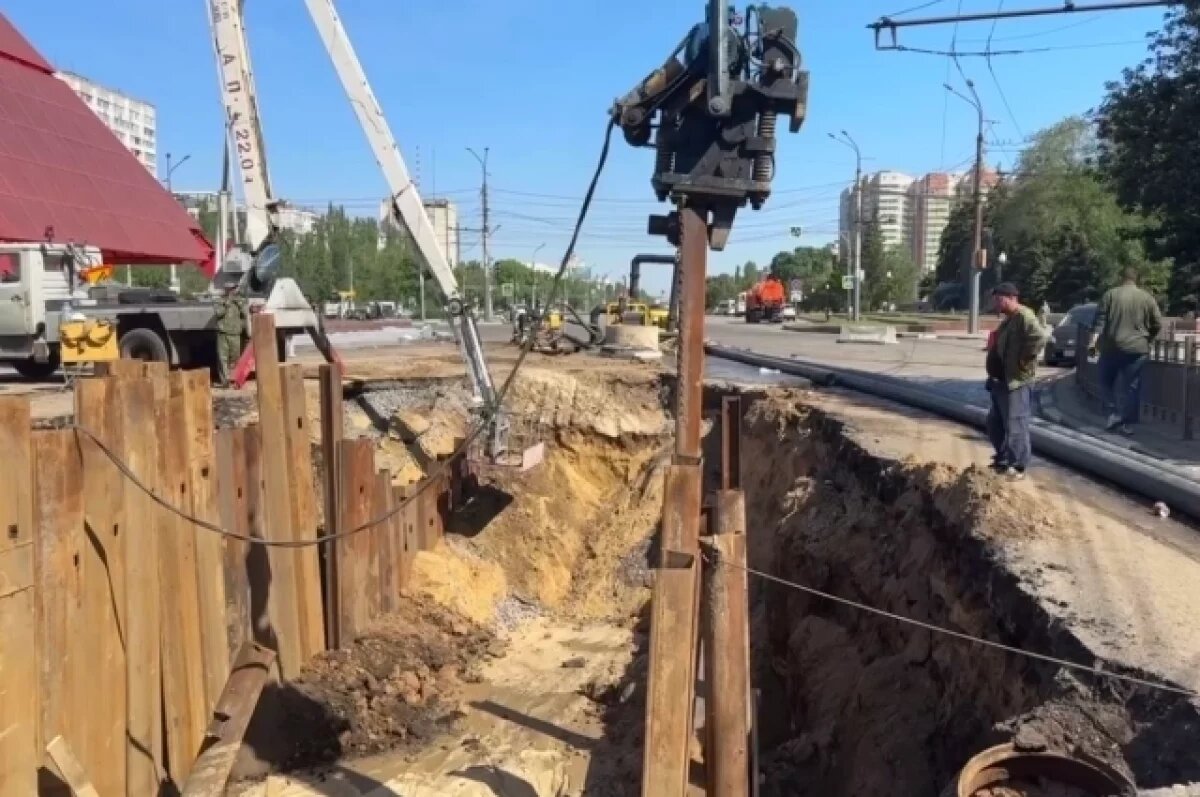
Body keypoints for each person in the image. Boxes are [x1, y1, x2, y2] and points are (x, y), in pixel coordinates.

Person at [1089, 268, 1162, 434]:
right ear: (1136, 280)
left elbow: (1099, 323)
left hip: (1112, 348)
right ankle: (1126, 422)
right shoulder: (1146, 298)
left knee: (1105, 381)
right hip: (1137, 349)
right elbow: (1157, 323)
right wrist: (1147, 339)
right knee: (1132, 386)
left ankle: (1113, 413)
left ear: (1121, 278)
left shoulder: (1110, 295)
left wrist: (1092, 346)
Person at [986, 283, 1046, 480]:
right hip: (1003, 381)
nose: (996, 302)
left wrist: (1025, 358)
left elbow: (1039, 337)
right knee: (995, 422)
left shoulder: (1024, 316)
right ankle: (1003, 458)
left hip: (1018, 381)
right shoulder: (1008, 320)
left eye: (999, 299)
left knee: (1016, 423)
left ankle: (1018, 465)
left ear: (1011, 298)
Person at [213, 284, 248, 386]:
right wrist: (227, 303)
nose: (232, 291)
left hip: (235, 333)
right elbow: (218, 313)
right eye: (229, 289)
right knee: (222, 358)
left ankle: (234, 379)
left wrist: (239, 303)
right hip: (223, 333)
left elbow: (245, 313)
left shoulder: (240, 301)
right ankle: (225, 381)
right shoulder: (220, 300)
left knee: (235, 357)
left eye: (233, 289)